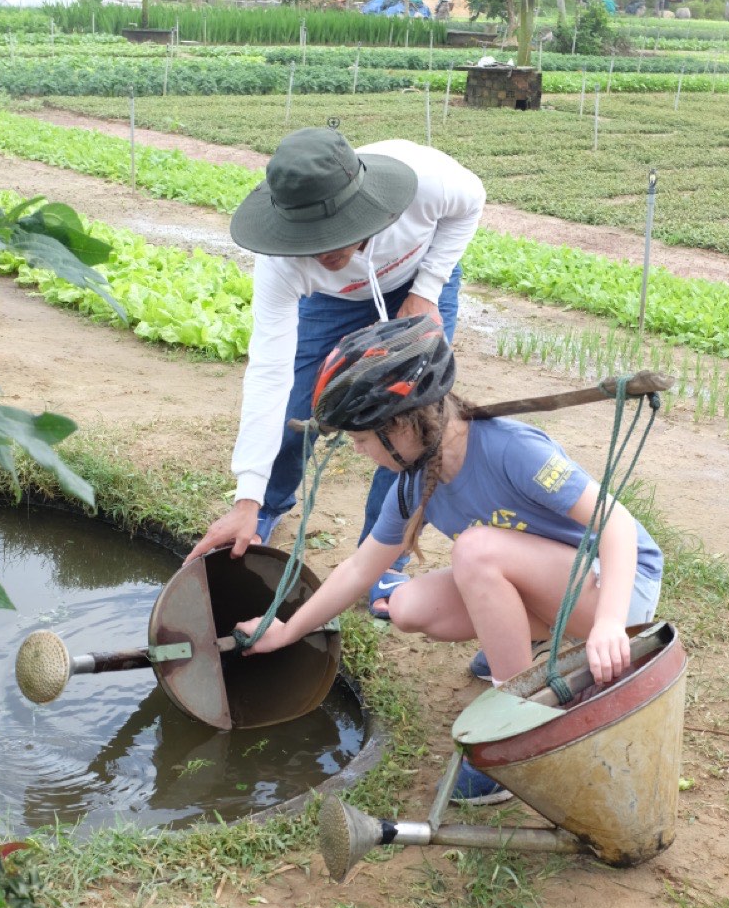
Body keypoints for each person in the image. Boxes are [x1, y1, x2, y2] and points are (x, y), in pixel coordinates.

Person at [233, 316, 664, 805]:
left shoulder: (510, 449)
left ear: (399, 423)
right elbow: (360, 569)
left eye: (361, 439)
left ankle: (516, 735)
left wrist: (609, 623)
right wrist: (287, 630)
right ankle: (531, 643)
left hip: (617, 590)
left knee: (476, 550)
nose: (357, 450)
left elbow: (617, 523)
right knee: (406, 605)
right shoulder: (417, 480)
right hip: (555, 590)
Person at [186, 127, 486, 617]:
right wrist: (246, 498)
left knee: (409, 425)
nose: (323, 253)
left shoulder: (428, 182)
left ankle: (382, 556)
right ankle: (266, 508)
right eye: (309, 241)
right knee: (297, 403)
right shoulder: (281, 265)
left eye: (334, 237)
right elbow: (268, 372)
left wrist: (428, 288)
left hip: (419, 279)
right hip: (334, 302)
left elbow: (471, 204)